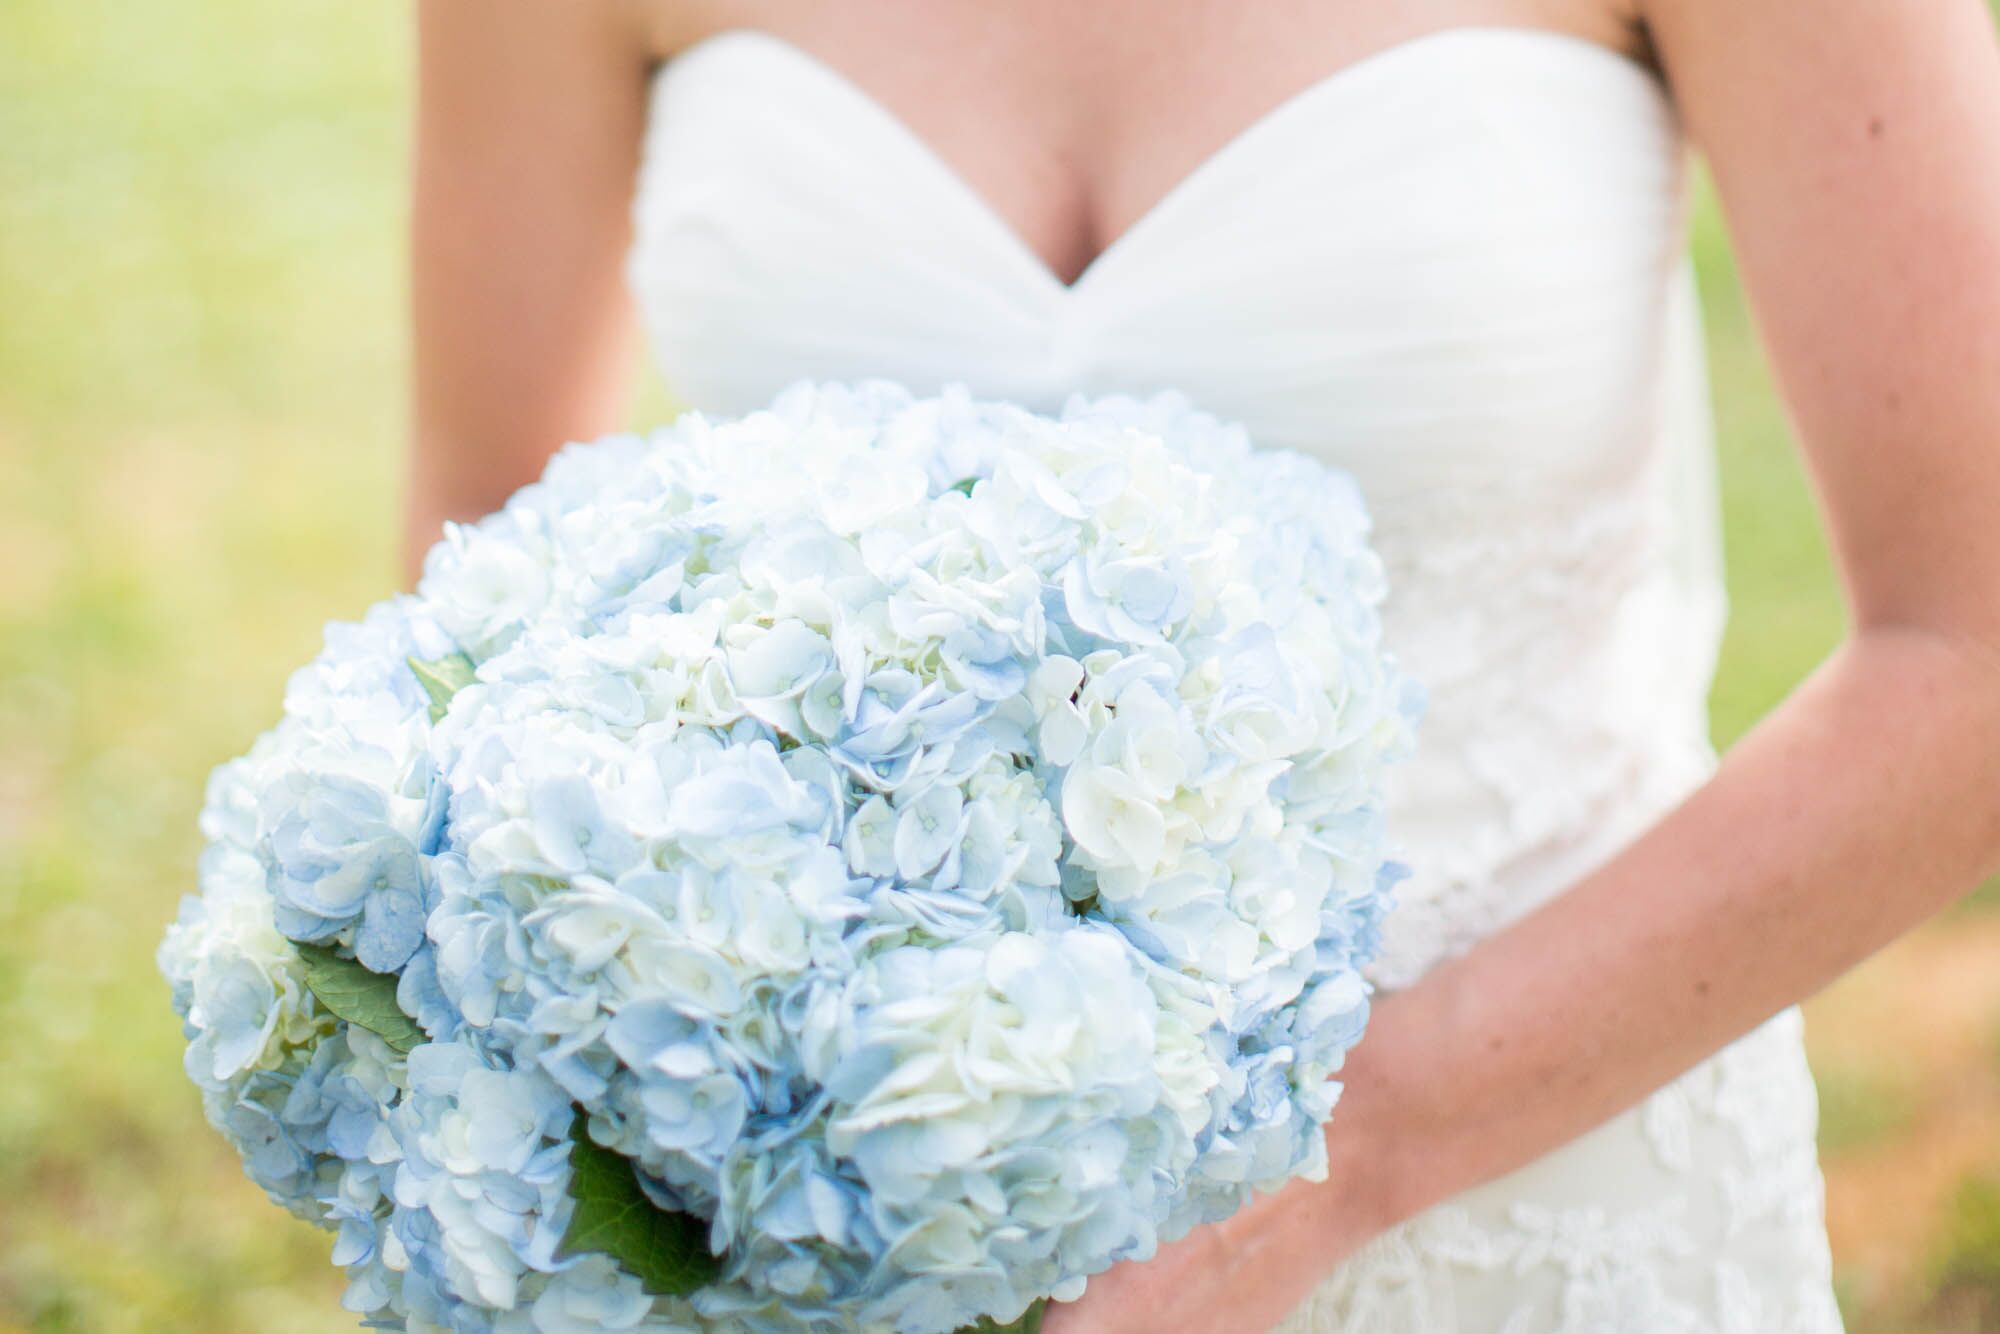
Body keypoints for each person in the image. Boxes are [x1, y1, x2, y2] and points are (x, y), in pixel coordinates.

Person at [403, 3, 2000, 1329]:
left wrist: (1359, 1141)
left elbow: (1970, 656)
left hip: (1543, 1172)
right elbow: (480, 567)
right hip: (829, 1224)